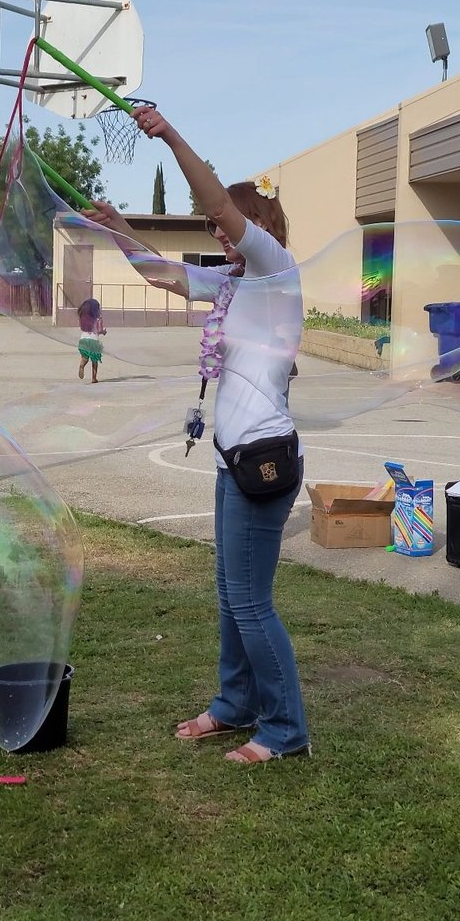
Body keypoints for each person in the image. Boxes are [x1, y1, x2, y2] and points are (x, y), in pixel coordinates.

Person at [82, 105, 309, 765]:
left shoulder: (274, 270)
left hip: (261, 461)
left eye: (223, 222)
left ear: (258, 225)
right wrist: (118, 228)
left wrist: (172, 137)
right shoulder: (237, 287)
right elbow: (162, 274)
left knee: (250, 599)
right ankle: (236, 705)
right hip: (229, 459)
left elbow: (218, 200)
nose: (215, 228)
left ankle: (285, 729)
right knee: (230, 592)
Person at [77, 298, 107, 385]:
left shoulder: (83, 317)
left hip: (83, 340)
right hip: (93, 341)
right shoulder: (98, 318)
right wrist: (104, 331)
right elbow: (99, 330)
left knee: (84, 358)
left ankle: (82, 365)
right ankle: (94, 378)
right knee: (94, 360)